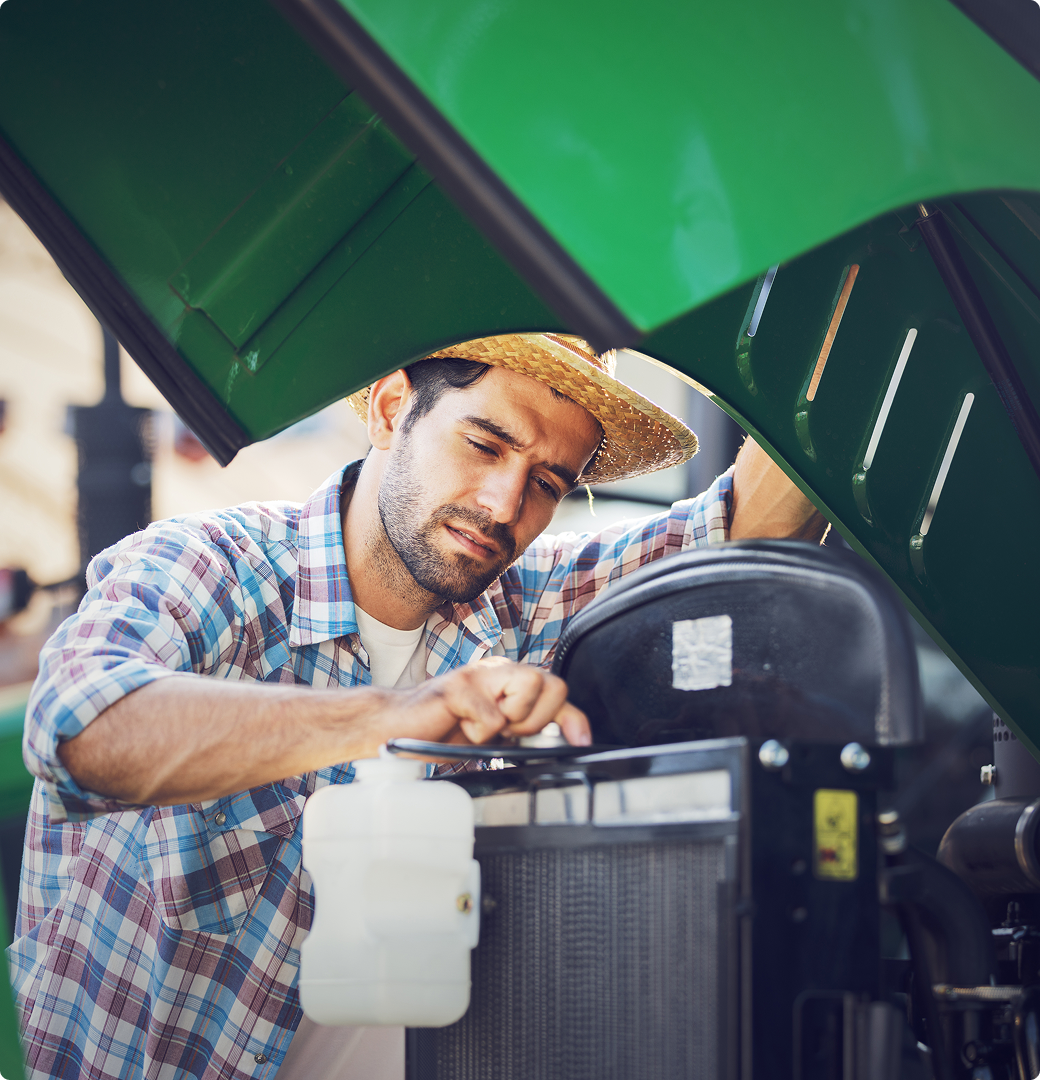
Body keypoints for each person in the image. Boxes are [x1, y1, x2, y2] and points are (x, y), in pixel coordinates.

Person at [10, 333, 824, 1080]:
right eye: (485, 444)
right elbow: (78, 729)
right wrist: (392, 718)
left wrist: (855, 274)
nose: (504, 505)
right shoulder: (209, 567)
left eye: (547, 483)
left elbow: (739, 532)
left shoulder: (522, 607)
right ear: (392, 408)